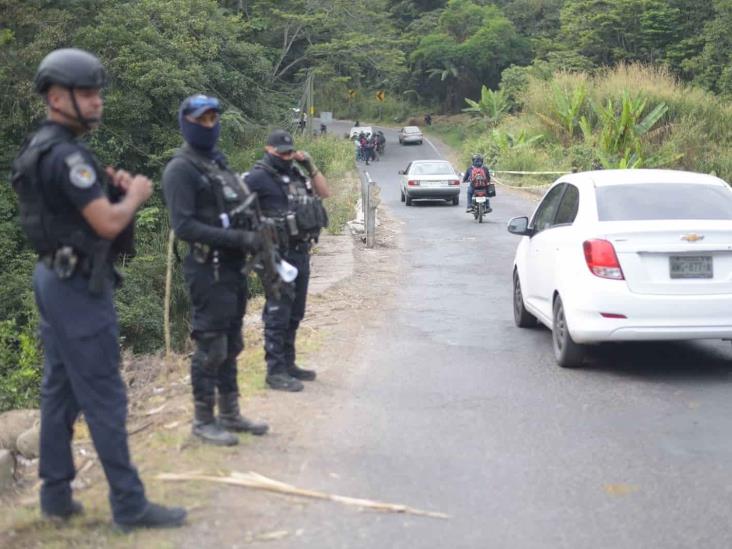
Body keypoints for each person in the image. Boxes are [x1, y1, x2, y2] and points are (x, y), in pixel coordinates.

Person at [11, 48, 186, 530]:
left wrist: (110, 193)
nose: (96, 102)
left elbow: (63, 214)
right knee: (106, 394)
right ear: (55, 97)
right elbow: (107, 223)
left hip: (52, 276)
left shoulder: (39, 147)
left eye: (96, 92)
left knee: (60, 389)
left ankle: (55, 497)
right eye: (85, 93)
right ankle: (129, 505)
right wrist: (133, 196)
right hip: (75, 289)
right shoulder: (68, 156)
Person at [162, 95, 269, 446]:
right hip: (207, 270)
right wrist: (237, 236)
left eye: (212, 119)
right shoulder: (181, 168)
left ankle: (230, 413)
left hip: (235, 268)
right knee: (212, 346)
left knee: (234, 342)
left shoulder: (217, 164)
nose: (208, 125)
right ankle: (203, 420)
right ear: (186, 123)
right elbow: (185, 226)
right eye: (201, 120)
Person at [244, 130, 331, 392]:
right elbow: (234, 206)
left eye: (289, 152)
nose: (285, 156)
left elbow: (324, 193)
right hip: (275, 254)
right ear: (268, 150)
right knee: (278, 311)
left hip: (300, 251)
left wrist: (310, 166)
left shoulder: (296, 173)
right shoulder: (256, 177)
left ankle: (289, 363)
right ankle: (275, 370)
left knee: (296, 312)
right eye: (280, 153)